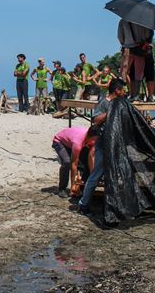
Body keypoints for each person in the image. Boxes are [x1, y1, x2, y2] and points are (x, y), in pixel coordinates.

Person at [78, 78, 127, 214]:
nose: (124, 93)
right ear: (117, 90)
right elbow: (96, 120)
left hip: (117, 146)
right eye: (123, 90)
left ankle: (114, 205)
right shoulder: (104, 102)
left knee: (118, 176)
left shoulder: (122, 103)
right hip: (104, 144)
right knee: (96, 175)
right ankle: (83, 205)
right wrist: (110, 111)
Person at [52, 126, 89, 198]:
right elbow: (74, 164)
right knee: (67, 162)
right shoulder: (78, 143)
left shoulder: (93, 138)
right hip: (59, 141)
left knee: (84, 163)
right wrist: (72, 187)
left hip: (71, 140)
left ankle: (81, 187)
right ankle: (62, 189)